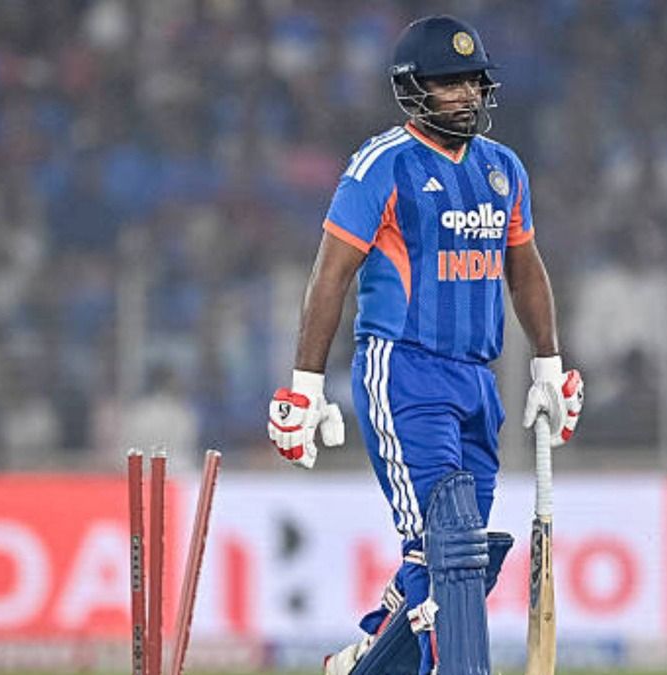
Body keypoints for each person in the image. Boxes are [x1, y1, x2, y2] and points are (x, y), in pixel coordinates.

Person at [267, 15, 585, 675]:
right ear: (414, 89)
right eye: (448, 83)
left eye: (473, 81)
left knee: (462, 556)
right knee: (449, 546)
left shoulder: (503, 169)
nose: (466, 94)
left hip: (477, 378)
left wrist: (549, 366)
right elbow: (330, 274)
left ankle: (367, 659)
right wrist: (305, 388)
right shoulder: (382, 164)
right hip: (403, 370)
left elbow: (525, 268)